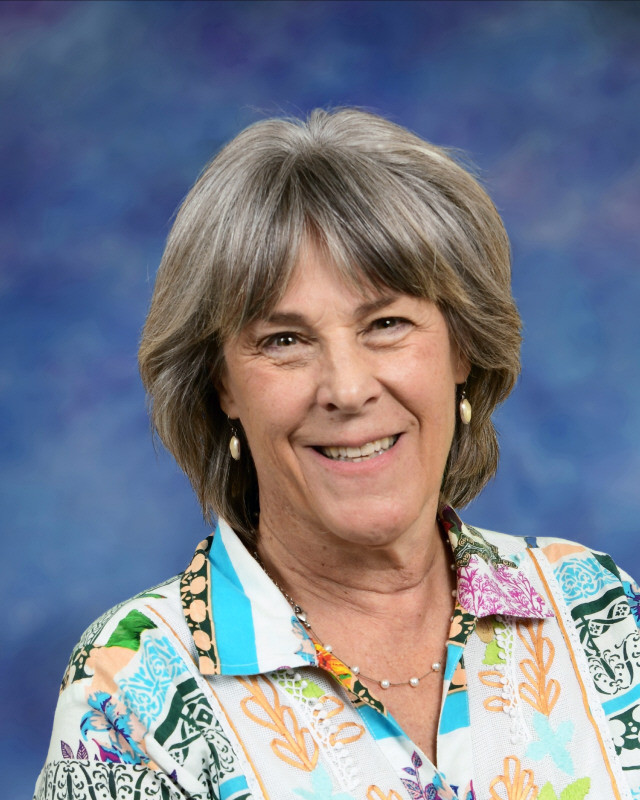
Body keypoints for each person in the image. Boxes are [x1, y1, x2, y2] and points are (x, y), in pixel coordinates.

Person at [34, 109, 640, 800]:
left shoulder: (597, 608)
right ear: (222, 384)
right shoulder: (133, 685)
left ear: (463, 348)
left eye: (387, 324)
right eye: (285, 340)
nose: (347, 390)